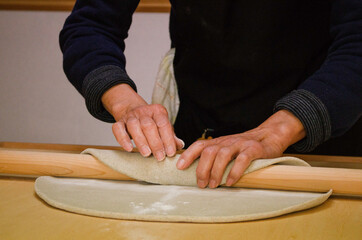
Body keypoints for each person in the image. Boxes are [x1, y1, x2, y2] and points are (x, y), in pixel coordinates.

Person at [60, 0, 362, 188]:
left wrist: (277, 132)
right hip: (201, 140)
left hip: (322, 146)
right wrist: (125, 104)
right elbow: (90, 25)